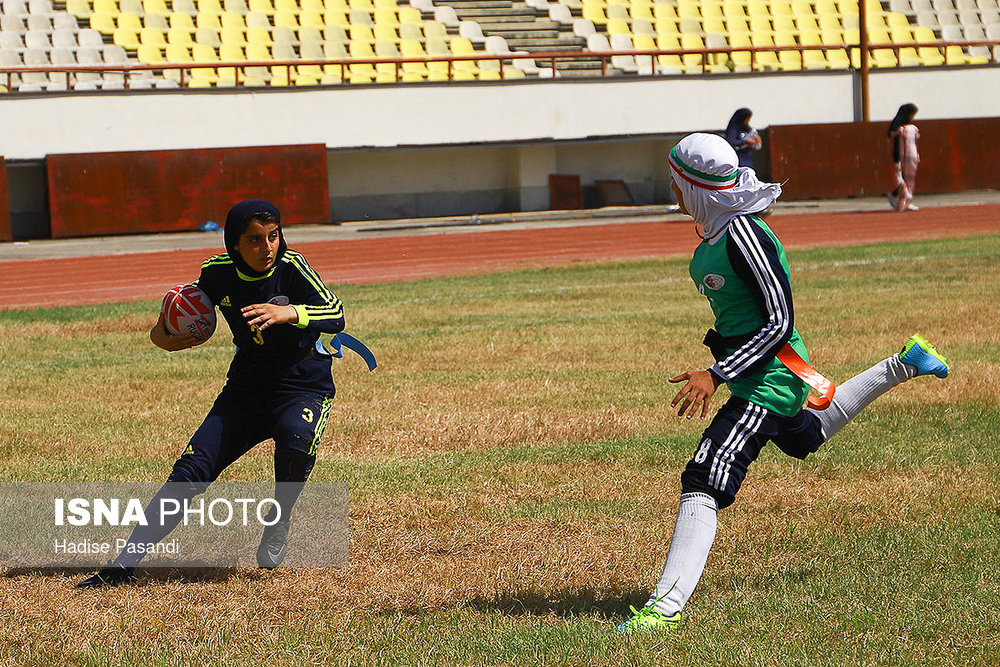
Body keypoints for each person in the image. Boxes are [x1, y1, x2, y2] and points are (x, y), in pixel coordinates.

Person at [616, 133, 950, 633]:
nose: (671, 187)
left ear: (694, 185)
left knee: (705, 474)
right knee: (805, 436)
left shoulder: (743, 236)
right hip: (759, 371)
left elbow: (778, 322)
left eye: (676, 179)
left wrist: (717, 375)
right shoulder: (718, 230)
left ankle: (664, 608)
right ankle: (905, 362)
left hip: (769, 375)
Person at [77, 199, 346, 588]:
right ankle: (122, 566)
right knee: (190, 470)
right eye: (254, 240)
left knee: (296, 441)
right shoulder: (216, 273)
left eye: (273, 236)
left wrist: (289, 313)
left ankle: (279, 518)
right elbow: (172, 328)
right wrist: (166, 335)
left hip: (301, 385)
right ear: (234, 244)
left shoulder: (292, 266)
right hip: (246, 389)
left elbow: (335, 312)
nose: (267, 247)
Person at [887, 103, 920, 212]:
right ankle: (896, 195)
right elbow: (890, 133)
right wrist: (901, 131)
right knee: (901, 178)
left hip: (909, 153)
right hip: (899, 153)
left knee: (908, 178)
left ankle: (906, 200)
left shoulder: (909, 123)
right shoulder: (897, 122)